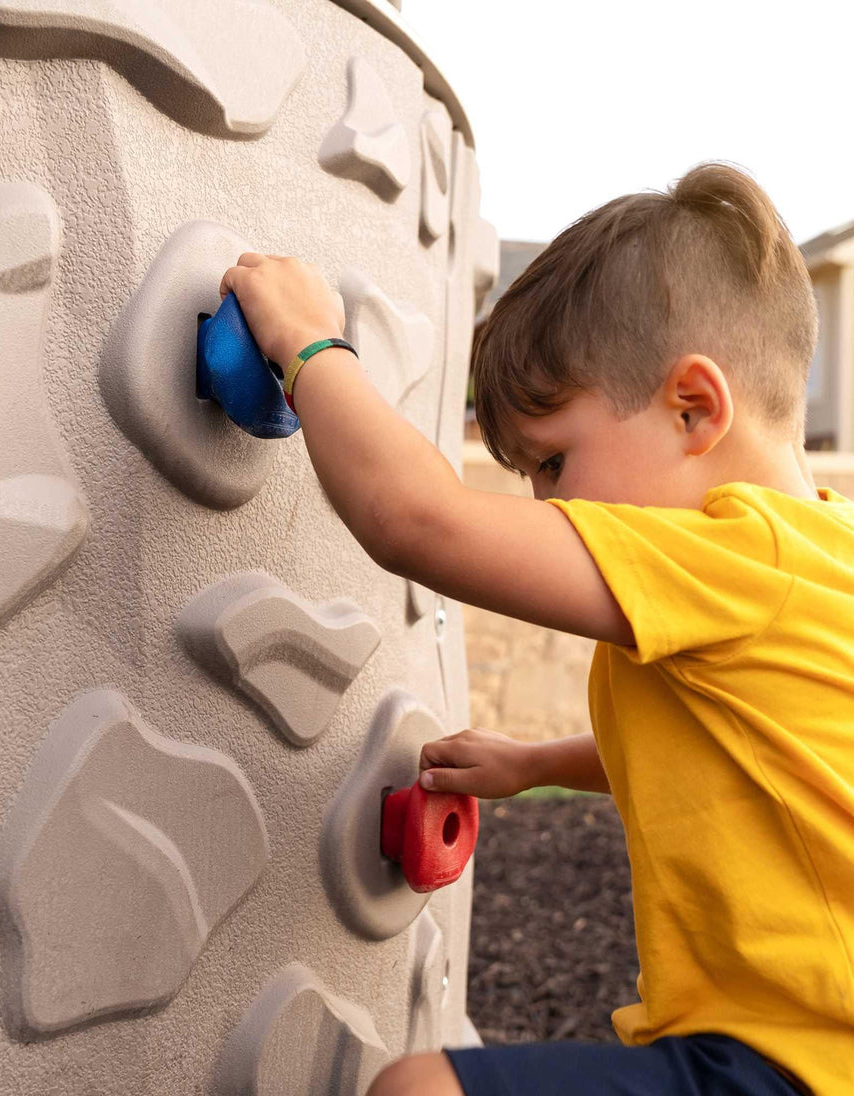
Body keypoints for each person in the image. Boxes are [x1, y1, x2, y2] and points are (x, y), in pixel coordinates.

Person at [218, 161, 854, 1095]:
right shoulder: (821, 553)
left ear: (694, 408)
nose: (539, 503)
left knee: (418, 1091)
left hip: (798, 1062)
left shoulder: (735, 555)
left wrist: (308, 344)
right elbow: (753, 754)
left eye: (552, 462)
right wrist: (537, 762)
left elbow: (420, 523)